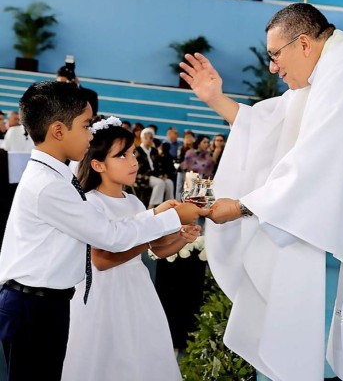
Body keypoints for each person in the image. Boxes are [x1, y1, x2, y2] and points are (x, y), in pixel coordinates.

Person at [179, 2, 343, 380]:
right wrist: (215, 99)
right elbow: (272, 121)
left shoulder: (341, 71)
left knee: (310, 346)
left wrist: (244, 206)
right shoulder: (325, 71)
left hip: (322, 246)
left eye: (276, 55)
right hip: (312, 240)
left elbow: (314, 159)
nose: (273, 68)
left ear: (304, 44)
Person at [0, 81, 208, 381]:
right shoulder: (49, 185)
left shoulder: (55, 176)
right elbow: (109, 237)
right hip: (33, 304)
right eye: (85, 126)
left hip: (46, 301)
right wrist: (173, 216)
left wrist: (159, 215)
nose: (90, 135)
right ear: (59, 131)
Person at [61, 117, 202, 381]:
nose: (133, 161)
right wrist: (152, 229)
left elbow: (156, 249)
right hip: (104, 295)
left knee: (141, 355)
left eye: (133, 152)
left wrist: (181, 237)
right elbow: (101, 260)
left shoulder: (134, 201)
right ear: (98, 164)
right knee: (107, 358)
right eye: (122, 155)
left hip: (137, 288)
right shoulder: (91, 204)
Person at [135, 127, 175, 208]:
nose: (148, 139)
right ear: (141, 138)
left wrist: (161, 174)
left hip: (154, 175)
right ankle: (152, 206)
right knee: (159, 183)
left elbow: (158, 165)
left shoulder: (154, 151)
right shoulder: (137, 150)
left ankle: (170, 204)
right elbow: (141, 167)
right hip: (143, 176)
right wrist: (157, 175)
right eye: (146, 137)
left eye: (151, 138)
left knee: (169, 182)